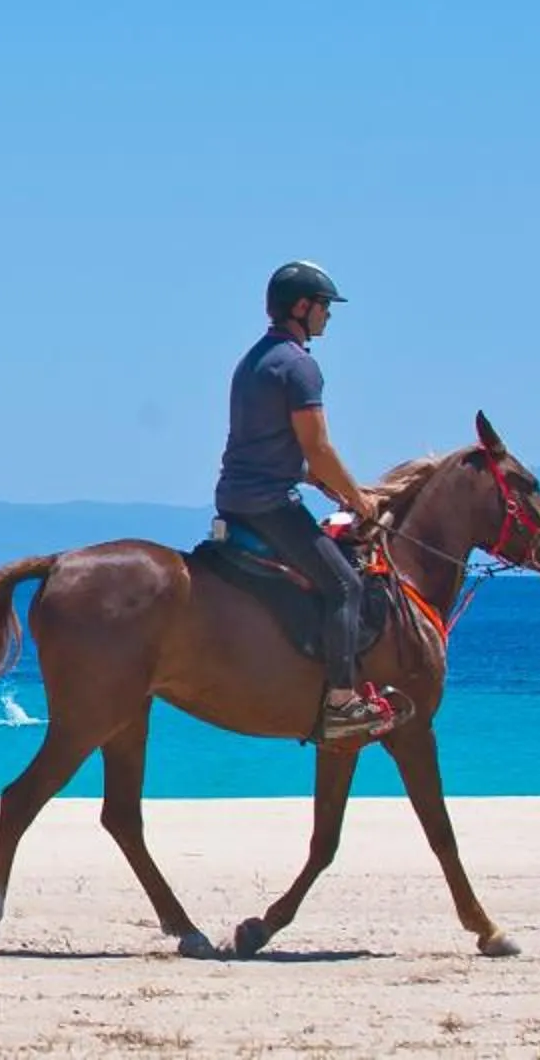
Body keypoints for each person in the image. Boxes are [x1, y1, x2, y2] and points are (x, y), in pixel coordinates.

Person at [213, 260, 394, 742]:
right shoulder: (300, 366)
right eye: (324, 307)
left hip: (236, 496)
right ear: (301, 307)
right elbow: (317, 447)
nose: (328, 316)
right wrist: (360, 500)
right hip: (269, 503)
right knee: (345, 586)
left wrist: (331, 487)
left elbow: (289, 451)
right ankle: (341, 701)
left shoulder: (254, 360)